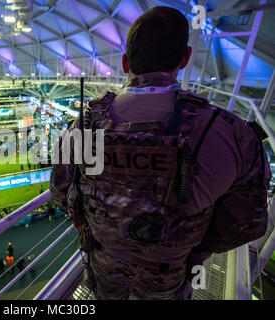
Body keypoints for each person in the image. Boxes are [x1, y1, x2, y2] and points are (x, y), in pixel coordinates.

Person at [49, 6, 271, 300]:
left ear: (126, 62)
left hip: (102, 269)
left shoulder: (85, 124)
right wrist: (195, 246)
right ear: (185, 58)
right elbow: (247, 223)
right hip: (169, 277)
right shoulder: (231, 132)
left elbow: (60, 192)